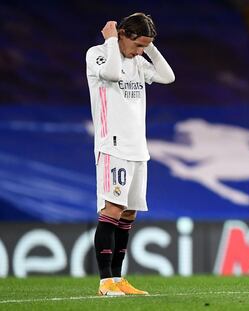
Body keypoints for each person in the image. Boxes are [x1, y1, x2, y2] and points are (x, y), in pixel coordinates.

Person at [86, 13, 175, 296]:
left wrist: (148, 47)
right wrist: (111, 41)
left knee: (128, 214)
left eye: (144, 48)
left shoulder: (138, 61)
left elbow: (167, 76)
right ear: (122, 34)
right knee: (112, 210)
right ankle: (105, 282)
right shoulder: (98, 54)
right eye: (138, 45)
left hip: (138, 148)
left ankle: (118, 279)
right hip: (113, 146)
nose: (140, 52)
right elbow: (111, 73)